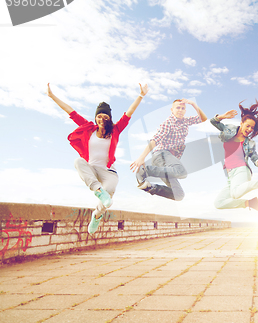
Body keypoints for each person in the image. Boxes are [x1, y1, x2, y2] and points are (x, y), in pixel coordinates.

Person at [47, 82, 149, 234]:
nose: (102, 119)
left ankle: (96, 215)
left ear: (109, 118)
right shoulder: (89, 128)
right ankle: (97, 190)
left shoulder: (116, 129)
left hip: (108, 171)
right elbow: (71, 111)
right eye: (99, 116)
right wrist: (52, 96)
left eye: (105, 116)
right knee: (78, 161)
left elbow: (129, 113)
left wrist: (141, 95)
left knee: (109, 192)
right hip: (91, 169)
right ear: (96, 118)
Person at [211, 102, 258, 214]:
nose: (250, 129)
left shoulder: (250, 143)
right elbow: (213, 122)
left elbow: (255, 160)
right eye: (248, 126)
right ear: (241, 123)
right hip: (230, 174)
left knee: (235, 194)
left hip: (241, 170)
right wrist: (222, 116)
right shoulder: (229, 130)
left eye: (252, 127)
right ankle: (250, 203)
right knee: (219, 203)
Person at [130, 98, 207, 201]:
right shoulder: (168, 123)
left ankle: (150, 187)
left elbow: (203, 119)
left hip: (168, 165)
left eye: (183, 108)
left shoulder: (185, 121)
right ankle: (145, 171)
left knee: (178, 195)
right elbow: (155, 140)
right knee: (181, 172)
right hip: (162, 155)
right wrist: (142, 157)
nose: (180, 110)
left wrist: (193, 104)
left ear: (185, 111)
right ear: (172, 110)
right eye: (178, 108)